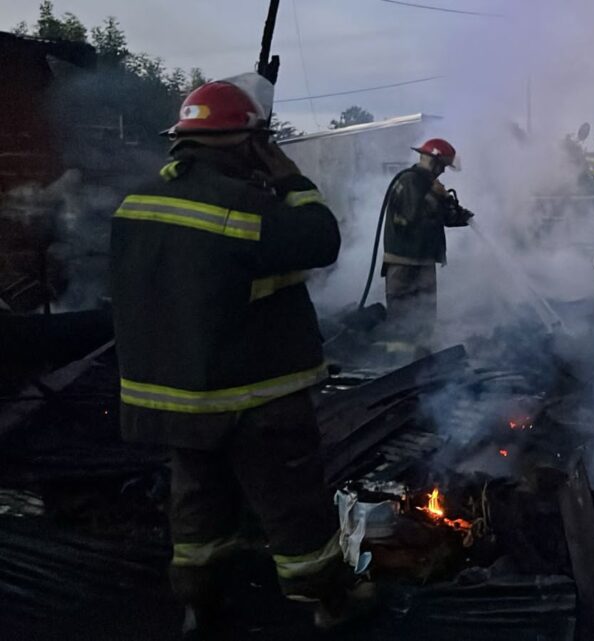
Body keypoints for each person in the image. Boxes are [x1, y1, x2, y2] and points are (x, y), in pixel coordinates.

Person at [109, 74, 369, 636]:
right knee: (293, 505)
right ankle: (328, 603)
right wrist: (291, 177)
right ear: (252, 144)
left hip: (177, 399)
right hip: (256, 396)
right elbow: (321, 238)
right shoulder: (243, 210)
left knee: (198, 505)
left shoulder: (136, 205)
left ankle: (198, 605)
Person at [381, 138, 473, 347]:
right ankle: (399, 362)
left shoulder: (425, 184)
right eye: (442, 167)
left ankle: (422, 360)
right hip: (404, 262)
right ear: (434, 162)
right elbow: (410, 219)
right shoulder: (410, 181)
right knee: (402, 322)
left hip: (423, 260)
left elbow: (440, 218)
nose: (442, 172)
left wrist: (459, 213)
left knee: (424, 321)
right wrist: (437, 199)